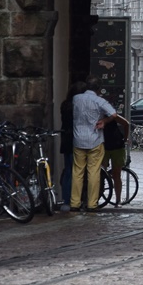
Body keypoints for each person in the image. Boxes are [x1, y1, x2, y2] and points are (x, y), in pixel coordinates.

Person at [70, 76, 126, 212]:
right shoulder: (99, 100)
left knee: (77, 172)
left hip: (78, 138)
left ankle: (75, 203)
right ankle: (92, 203)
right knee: (93, 172)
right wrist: (104, 121)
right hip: (95, 139)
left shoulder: (76, 99)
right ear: (99, 89)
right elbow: (113, 114)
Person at [58, 79, 86, 212]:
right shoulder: (79, 106)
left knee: (68, 171)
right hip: (78, 139)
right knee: (79, 171)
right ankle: (78, 200)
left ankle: (66, 200)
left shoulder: (65, 105)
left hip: (66, 139)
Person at [102, 107, 131, 208]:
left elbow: (126, 123)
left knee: (114, 174)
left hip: (114, 146)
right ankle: (116, 200)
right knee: (107, 174)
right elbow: (126, 124)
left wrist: (125, 138)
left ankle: (118, 200)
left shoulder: (110, 115)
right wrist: (125, 139)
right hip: (110, 146)